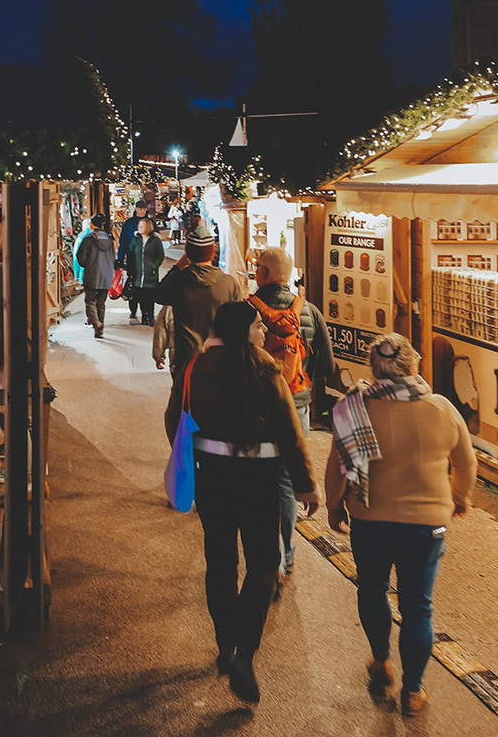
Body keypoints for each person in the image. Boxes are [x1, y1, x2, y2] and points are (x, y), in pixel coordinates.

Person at [165, 300, 319, 704]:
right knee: (264, 565)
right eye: (257, 326)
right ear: (242, 331)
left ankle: (225, 645)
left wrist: (193, 463)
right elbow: (289, 429)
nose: (263, 332)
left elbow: (173, 420)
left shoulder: (195, 367)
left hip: (212, 478)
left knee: (220, 561)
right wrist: (305, 483)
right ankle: (244, 654)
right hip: (260, 478)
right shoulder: (267, 368)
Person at [325, 333, 477, 717]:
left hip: (369, 519)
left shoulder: (355, 407)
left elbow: (338, 465)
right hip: (426, 527)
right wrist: (460, 497)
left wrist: (333, 505)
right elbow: (467, 462)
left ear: (374, 369)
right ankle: (413, 691)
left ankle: (380, 661)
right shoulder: (442, 409)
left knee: (372, 590)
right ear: (412, 366)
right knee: (418, 608)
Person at [249, 246, 336, 584]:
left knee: (257, 479)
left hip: (256, 405)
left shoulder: (249, 310)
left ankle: (261, 554)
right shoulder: (309, 311)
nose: (256, 272)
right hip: (297, 404)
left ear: (265, 274)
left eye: (258, 268)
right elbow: (327, 366)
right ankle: (286, 556)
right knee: (286, 482)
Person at [154, 227, 242, 373]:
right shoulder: (229, 283)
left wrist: (177, 267)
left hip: (186, 357)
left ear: (187, 253)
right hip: (220, 358)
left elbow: (158, 295)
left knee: (185, 395)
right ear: (212, 253)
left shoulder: (178, 281)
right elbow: (238, 322)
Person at [75, 214, 115, 339]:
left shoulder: (88, 239)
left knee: (90, 301)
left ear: (92, 224)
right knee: (101, 304)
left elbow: (80, 258)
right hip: (106, 275)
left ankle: (96, 323)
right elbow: (113, 257)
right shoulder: (109, 239)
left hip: (92, 274)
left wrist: (88, 265)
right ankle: (100, 329)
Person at [126, 217, 166, 326]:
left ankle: (150, 316)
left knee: (150, 297)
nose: (139, 228)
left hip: (150, 275)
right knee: (140, 297)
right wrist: (130, 269)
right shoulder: (135, 240)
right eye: (139, 226)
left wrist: (154, 266)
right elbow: (130, 254)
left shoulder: (155, 240)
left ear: (148, 227)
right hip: (138, 274)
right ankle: (144, 316)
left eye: (142, 226)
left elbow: (160, 255)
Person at [116, 200, 150, 321]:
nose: (142, 211)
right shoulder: (128, 224)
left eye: (144, 209)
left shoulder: (150, 223)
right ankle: (133, 309)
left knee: (145, 287)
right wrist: (120, 258)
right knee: (132, 285)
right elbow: (123, 242)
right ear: (136, 209)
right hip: (132, 259)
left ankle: (145, 312)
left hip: (147, 260)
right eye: (140, 209)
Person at [152, 304, 176, 373]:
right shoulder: (206, 303)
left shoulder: (169, 308)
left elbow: (160, 335)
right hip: (202, 357)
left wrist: (158, 356)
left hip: (177, 359)